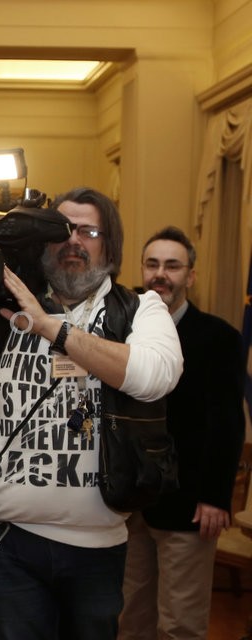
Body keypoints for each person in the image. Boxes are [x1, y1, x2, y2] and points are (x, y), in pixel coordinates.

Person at [0, 187, 183, 639]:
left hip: (97, 548)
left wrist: (49, 327)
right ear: (42, 243)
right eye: (62, 230)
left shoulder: (139, 308)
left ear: (111, 246)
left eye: (89, 232)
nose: (73, 241)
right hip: (7, 542)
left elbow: (154, 375)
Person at [117, 226, 245, 640]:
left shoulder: (219, 337)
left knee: (179, 625)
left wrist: (215, 496)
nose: (160, 274)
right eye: (152, 264)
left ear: (190, 276)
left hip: (189, 503)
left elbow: (227, 422)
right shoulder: (120, 330)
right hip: (127, 501)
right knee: (129, 619)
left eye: (172, 266)